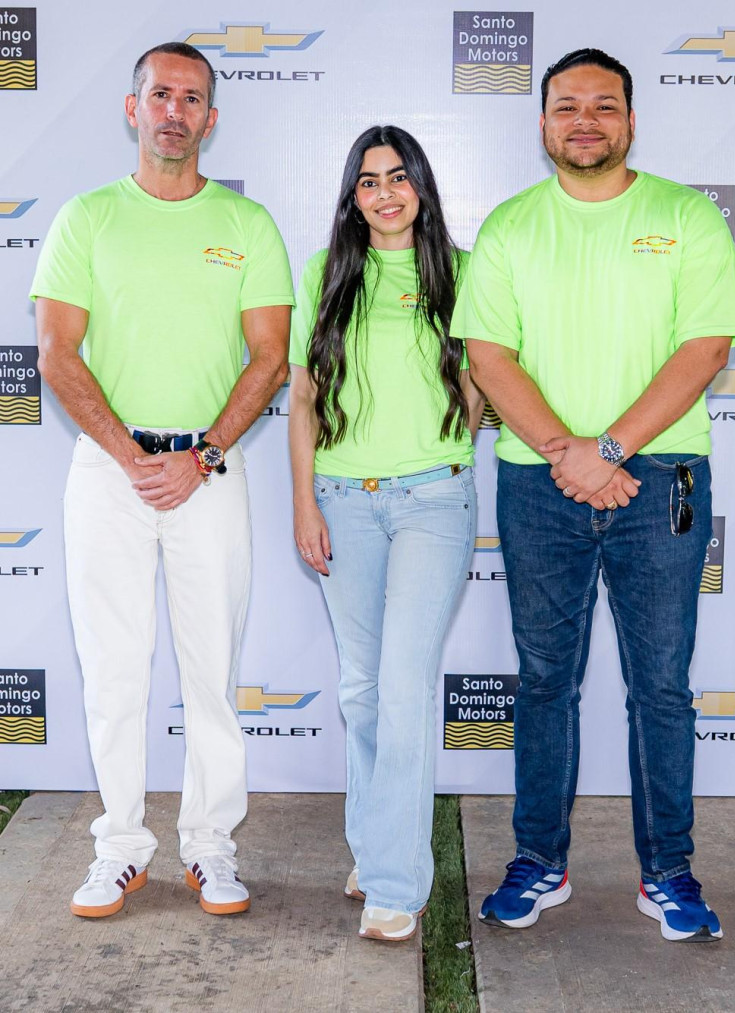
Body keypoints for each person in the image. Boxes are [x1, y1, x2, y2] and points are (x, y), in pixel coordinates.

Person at [452, 49, 735, 942]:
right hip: (537, 480)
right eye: (567, 106)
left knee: (660, 685)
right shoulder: (509, 226)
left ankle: (668, 871)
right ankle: (539, 861)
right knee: (545, 680)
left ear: (630, 121)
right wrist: (565, 451)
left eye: (604, 106)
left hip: (661, 478)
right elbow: (489, 358)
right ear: (542, 121)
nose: (585, 121)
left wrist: (611, 448)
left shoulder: (687, 216)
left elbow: (704, 349)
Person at [31, 42, 293, 918]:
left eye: (191, 98)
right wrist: (128, 453)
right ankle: (120, 846)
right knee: (113, 668)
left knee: (211, 669)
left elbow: (268, 359)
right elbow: (57, 354)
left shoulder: (247, 227)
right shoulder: (85, 217)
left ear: (211, 120)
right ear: (133, 109)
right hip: (109, 473)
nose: (174, 110)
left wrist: (203, 454)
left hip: (209, 471)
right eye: (159, 94)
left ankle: (211, 846)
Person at [289, 125, 482, 942]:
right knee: (362, 690)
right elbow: (301, 399)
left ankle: (397, 884)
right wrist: (305, 503)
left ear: (422, 187)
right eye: (369, 181)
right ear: (353, 196)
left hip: (434, 504)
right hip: (343, 499)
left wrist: (442, 454)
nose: (385, 193)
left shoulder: (461, 271)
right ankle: (374, 845)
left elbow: (479, 384)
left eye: (398, 177)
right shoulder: (327, 273)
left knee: (403, 689)